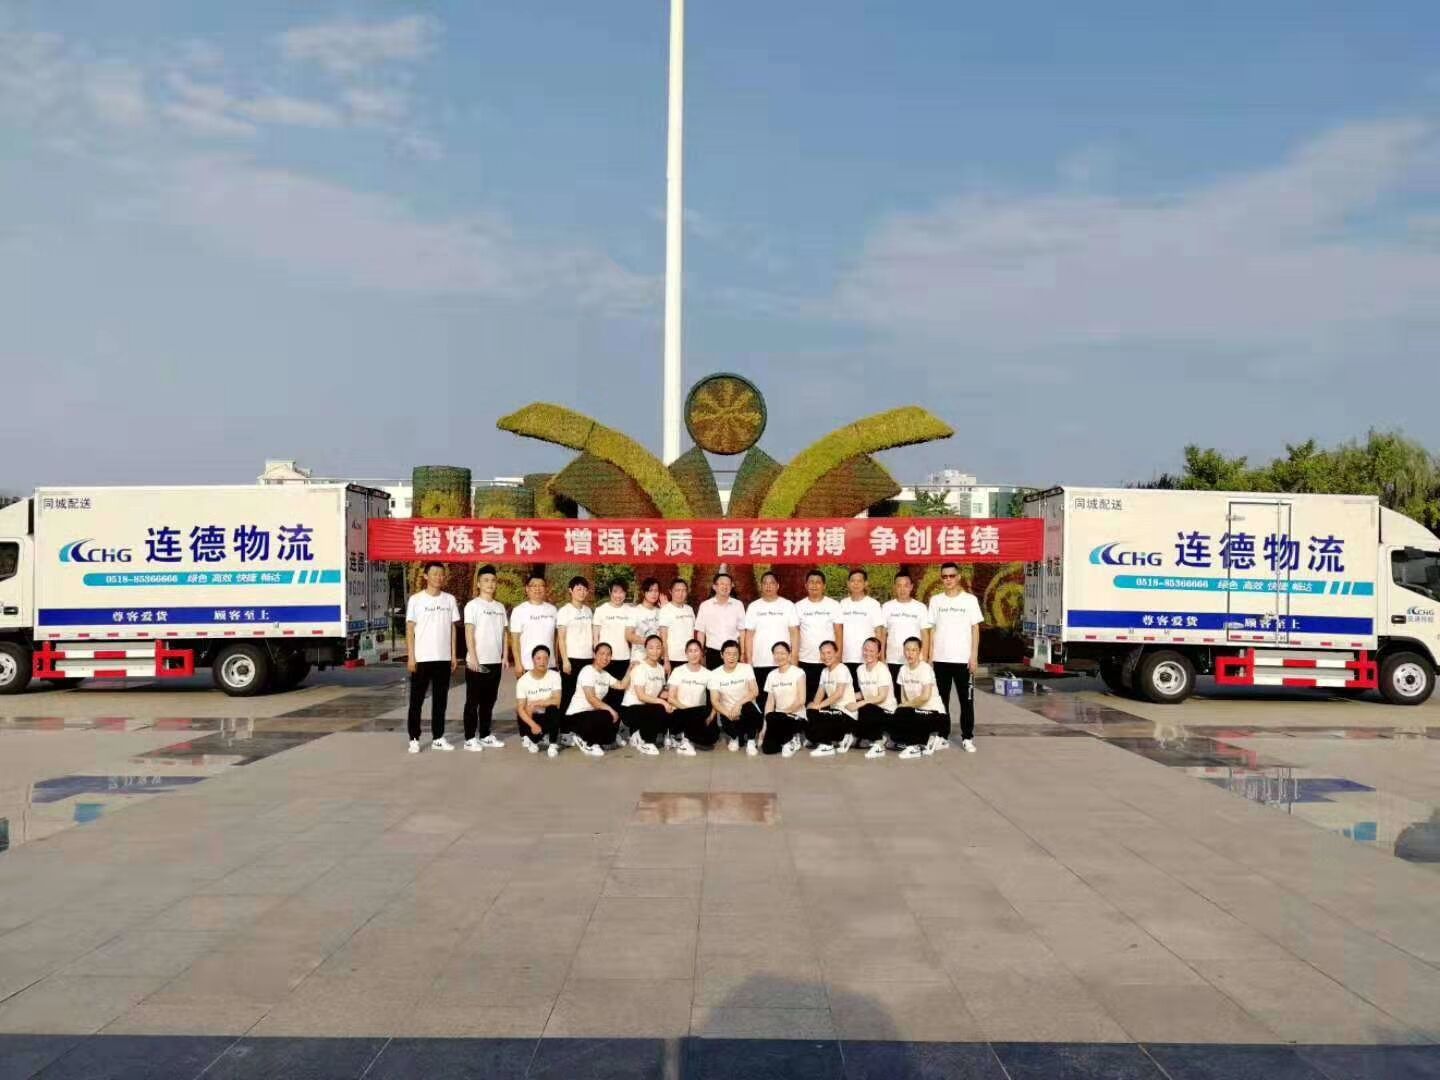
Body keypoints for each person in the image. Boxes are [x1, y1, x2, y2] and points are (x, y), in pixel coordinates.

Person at [926, 561, 983, 752]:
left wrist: (973, 656)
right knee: (941, 701)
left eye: (951, 576)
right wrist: (930, 657)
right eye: (944, 576)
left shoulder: (969, 600)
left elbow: (975, 628)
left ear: (958, 577)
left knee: (966, 701)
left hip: (963, 660)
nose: (948, 579)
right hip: (940, 659)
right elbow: (932, 629)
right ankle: (943, 735)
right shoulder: (936, 600)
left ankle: (967, 737)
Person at [405, 561, 460, 754]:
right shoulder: (416, 600)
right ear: (426, 576)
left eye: (441, 574)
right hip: (422, 658)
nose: (438, 577)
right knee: (416, 701)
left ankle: (438, 737)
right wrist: (411, 657)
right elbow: (410, 629)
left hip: (443, 658)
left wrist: (453, 655)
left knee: (440, 701)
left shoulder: (449, 600)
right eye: (434, 573)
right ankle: (414, 738)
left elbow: (452, 628)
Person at [461, 564, 508, 751]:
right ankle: (469, 738)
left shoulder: (500, 607)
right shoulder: (473, 606)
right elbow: (469, 632)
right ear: (479, 584)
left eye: (493, 581)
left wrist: (505, 656)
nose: (490, 584)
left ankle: (486, 734)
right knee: (473, 701)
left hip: (495, 661)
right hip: (477, 662)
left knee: (489, 701)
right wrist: (473, 658)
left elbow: (504, 633)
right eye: (486, 580)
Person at [745, 572, 799, 712]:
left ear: (777, 586)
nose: (768, 586)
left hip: (783, 662)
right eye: (765, 583)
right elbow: (749, 635)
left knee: (784, 698)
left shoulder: (788, 605)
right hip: (760, 662)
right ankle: (764, 724)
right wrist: (749, 660)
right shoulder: (753, 607)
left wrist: (794, 658)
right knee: (763, 700)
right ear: (761, 586)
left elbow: (794, 633)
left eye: (772, 583)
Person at [564, 642, 624, 757]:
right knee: (606, 714)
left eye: (608, 654)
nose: (605, 657)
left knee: (610, 732)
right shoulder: (587, 670)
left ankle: (596, 737)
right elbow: (591, 698)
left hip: (591, 714)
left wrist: (631, 669)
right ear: (595, 655)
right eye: (602, 654)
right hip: (576, 715)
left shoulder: (605, 675)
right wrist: (610, 710)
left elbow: (621, 685)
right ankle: (587, 742)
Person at [794, 569, 842, 705]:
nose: (814, 585)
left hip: (828, 660)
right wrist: (795, 657)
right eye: (811, 582)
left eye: (818, 582)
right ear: (806, 585)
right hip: (805, 659)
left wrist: (838, 657)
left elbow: (838, 632)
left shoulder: (833, 605)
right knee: (807, 698)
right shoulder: (798, 606)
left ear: (824, 586)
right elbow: (795, 633)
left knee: (827, 699)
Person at [895, 636, 947, 758]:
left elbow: (925, 697)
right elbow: (903, 698)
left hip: (934, 713)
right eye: (907, 650)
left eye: (914, 650)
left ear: (920, 651)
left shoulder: (925, 669)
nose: (910, 653)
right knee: (898, 715)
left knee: (904, 712)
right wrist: (904, 708)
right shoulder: (903, 670)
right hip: (917, 711)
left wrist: (905, 706)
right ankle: (929, 740)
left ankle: (915, 747)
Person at [708, 640, 762, 755]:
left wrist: (738, 704)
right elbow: (715, 701)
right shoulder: (714, 674)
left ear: (738, 655)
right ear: (721, 655)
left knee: (748, 707)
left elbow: (755, 691)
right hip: (728, 712)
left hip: (746, 710)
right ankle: (735, 738)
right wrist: (729, 714)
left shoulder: (746, 668)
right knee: (729, 724)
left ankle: (751, 741)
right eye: (728, 653)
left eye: (735, 654)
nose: (731, 657)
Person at [806, 640, 859, 757]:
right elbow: (819, 693)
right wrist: (813, 708)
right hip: (834, 713)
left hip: (847, 714)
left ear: (836, 653)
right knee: (810, 712)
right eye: (823, 653)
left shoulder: (842, 669)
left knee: (818, 713)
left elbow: (838, 694)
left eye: (829, 653)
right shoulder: (824, 672)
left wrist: (818, 707)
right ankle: (841, 737)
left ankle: (827, 746)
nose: (826, 656)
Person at [621, 634, 671, 754]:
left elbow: (660, 693)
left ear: (662, 649)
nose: (655, 651)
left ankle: (638, 734)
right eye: (651, 648)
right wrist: (663, 702)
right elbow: (641, 696)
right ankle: (646, 742)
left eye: (658, 647)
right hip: (631, 709)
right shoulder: (640, 667)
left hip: (648, 707)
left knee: (671, 708)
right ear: (645, 649)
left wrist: (671, 697)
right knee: (660, 708)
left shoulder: (660, 668)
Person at [666, 639, 718, 754]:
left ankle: (686, 737)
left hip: (699, 714)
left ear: (701, 653)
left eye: (696, 651)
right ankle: (685, 740)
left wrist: (711, 717)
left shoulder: (708, 674)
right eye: (690, 651)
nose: (693, 654)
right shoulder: (678, 671)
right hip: (680, 711)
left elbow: (715, 699)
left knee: (712, 739)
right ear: (686, 653)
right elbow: (670, 698)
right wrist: (688, 710)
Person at [881, 572, 931, 686]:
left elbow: (925, 635)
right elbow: (883, 634)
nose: (902, 589)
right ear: (894, 587)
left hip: (915, 660)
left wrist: (924, 659)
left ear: (911, 587)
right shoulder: (887, 607)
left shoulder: (920, 607)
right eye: (899, 585)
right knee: (896, 694)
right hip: (893, 660)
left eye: (906, 585)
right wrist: (882, 659)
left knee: (915, 693)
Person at [759, 641, 808, 757]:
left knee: (776, 718)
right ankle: (785, 738)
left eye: (783, 653)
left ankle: (794, 738)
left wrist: (783, 713)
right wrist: (764, 728)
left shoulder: (798, 673)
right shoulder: (771, 675)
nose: (779, 656)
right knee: (768, 749)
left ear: (789, 655)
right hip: (777, 718)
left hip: (796, 716)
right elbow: (770, 702)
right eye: (776, 653)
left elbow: (801, 700)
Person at [514, 644, 563, 757]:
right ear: (533, 660)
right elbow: (520, 708)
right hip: (532, 716)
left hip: (548, 715)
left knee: (553, 709)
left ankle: (552, 744)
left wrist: (537, 702)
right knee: (523, 710)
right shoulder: (523, 680)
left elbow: (557, 701)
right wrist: (533, 725)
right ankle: (533, 739)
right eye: (538, 658)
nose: (542, 662)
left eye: (545, 658)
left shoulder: (555, 676)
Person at [555, 575, 594, 714]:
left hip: (588, 658)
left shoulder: (588, 611)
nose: (582, 592)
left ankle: (579, 724)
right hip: (571, 659)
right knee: (568, 693)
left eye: (584, 590)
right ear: (570, 590)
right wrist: (565, 661)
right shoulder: (564, 611)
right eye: (578, 589)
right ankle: (564, 725)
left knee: (584, 694)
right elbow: (561, 638)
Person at [838, 568, 884, 683]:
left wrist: (879, 656)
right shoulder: (842, 604)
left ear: (865, 583)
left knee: (867, 690)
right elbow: (839, 631)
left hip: (867, 658)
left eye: (859, 581)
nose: (856, 584)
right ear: (848, 583)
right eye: (853, 581)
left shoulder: (873, 604)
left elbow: (879, 632)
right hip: (846, 657)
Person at [593, 578, 635, 704]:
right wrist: (596, 658)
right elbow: (595, 637)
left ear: (625, 594)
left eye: (622, 592)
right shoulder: (601, 610)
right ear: (610, 592)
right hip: (605, 659)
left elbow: (631, 635)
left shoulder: (630, 611)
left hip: (623, 657)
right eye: (615, 591)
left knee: (619, 694)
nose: (618, 595)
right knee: (603, 693)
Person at [509, 574, 557, 680]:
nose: (537, 589)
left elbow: (555, 638)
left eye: (541, 586)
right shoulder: (519, 610)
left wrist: (557, 662)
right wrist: (518, 663)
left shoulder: (552, 610)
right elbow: (515, 640)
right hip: (527, 665)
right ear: (527, 589)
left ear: (545, 589)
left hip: (550, 665)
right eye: (534, 586)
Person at [694, 572, 746, 669]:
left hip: (733, 653)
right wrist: (700, 653)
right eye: (722, 584)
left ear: (732, 586)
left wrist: (742, 653)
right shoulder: (705, 606)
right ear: (714, 587)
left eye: (728, 584)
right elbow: (701, 632)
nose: (725, 587)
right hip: (713, 653)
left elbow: (742, 631)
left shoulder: (738, 605)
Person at [854, 636, 895, 758]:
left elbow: (881, 697)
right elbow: (864, 692)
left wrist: (860, 703)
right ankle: (866, 736)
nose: (868, 653)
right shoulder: (860, 669)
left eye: (872, 651)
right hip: (870, 708)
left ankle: (879, 742)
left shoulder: (882, 669)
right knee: (846, 706)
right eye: (865, 650)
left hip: (886, 711)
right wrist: (846, 699)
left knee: (865, 708)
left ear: (878, 653)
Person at [658, 578, 697, 673]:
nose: (681, 594)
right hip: (672, 658)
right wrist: (666, 660)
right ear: (670, 592)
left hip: (689, 658)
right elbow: (663, 637)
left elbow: (693, 634)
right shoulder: (665, 610)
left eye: (684, 590)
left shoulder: (689, 609)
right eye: (677, 590)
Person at [627, 577, 665, 669]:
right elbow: (628, 635)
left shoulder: (661, 612)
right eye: (650, 590)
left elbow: (663, 635)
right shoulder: (634, 611)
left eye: (656, 591)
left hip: (656, 660)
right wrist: (649, 642)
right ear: (644, 592)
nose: (654, 594)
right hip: (639, 659)